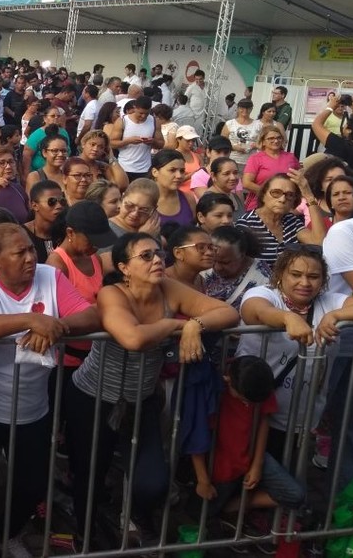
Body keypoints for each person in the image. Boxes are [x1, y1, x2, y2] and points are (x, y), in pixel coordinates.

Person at [64, 232, 239, 546]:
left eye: (159, 253)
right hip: (93, 398)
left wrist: (195, 325)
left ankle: (137, 516)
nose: (157, 260)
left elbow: (228, 312)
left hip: (141, 400)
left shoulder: (168, 288)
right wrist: (177, 325)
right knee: (90, 476)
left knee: (153, 481)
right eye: (146, 256)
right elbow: (132, 338)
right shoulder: (112, 293)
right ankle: (86, 535)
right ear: (124, 267)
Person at [0, 222, 98, 555]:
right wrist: (30, 320)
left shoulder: (50, 276)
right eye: (19, 252)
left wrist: (54, 326)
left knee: (33, 482)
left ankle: (8, 532)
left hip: (34, 407)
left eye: (32, 249)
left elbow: (91, 317)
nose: (30, 258)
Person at [238, 244, 353, 461]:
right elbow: (256, 310)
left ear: (323, 280)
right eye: (296, 274)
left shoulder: (330, 302)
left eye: (313, 277)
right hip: (253, 411)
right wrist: (287, 318)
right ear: (281, 275)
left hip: (300, 418)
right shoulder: (264, 293)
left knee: (288, 469)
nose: (305, 283)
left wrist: (336, 316)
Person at [192, 355, 306, 540]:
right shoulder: (216, 389)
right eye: (245, 400)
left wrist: (257, 464)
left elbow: (264, 418)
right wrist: (202, 478)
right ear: (228, 381)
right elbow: (197, 435)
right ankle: (224, 515)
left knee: (295, 495)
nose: (249, 405)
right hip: (223, 468)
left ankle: (233, 507)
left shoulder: (258, 383)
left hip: (252, 457)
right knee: (202, 515)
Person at [234, 174, 324, 264]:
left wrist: (309, 197)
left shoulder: (292, 221)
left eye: (289, 195)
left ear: (294, 201)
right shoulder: (246, 223)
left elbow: (318, 243)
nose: (282, 199)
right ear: (263, 195)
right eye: (276, 193)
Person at [201, 225, 271, 309]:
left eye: (225, 263)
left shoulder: (262, 279)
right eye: (213, 260)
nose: (217, 267)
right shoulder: (202, 266)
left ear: (242, 255)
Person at [242, 125, 300, 211]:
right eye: (271, 138)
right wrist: (269, 194)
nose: (276, 141)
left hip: (285, 204)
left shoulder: (290, 157)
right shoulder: (256, 158)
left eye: (279, 138)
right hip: (259, 204)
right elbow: (246, 183)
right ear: (263, 142)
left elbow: (299, 180)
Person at [111, 96, 162, 180]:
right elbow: (112, 143)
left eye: (146, 113)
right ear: (135, 108)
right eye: (140, 113)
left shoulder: (154, 121)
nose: (143, 116)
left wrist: (152, 142)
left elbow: (161, 144)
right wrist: (128, 141)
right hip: (124, 166)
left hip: (145, 168)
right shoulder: (123, 121)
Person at [151, 149, 197, 227]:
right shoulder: (143, 200)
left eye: (182, 171)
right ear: (155, 172)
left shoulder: (189, 199)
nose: (179, 176)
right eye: (172, 170)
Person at [163, 224, 216, 292]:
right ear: (178, 253)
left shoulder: (201, 281)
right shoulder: (162, 281)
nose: (209, 253)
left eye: (211, 247)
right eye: (201, 247)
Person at [24, 180, 67, 259]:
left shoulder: (68, 232)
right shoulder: (22, 234)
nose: (59, 206)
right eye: (52, 202)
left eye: (62, 201)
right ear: (34, 206)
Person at [23, 107, 71, 173]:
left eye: (58, 116)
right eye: (53, 116)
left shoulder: (63, 132)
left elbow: (67, 150)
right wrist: (26, 173)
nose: (56, 118)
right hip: (40, 172)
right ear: (45, 118)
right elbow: (27, 155)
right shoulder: (37, 134)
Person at [222, 100, 262, 169]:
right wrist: (233, 147)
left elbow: (263, 142)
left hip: (251, 161)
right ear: (237, 108)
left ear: (251, 109)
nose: (245, 110)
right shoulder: (230, 123)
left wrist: (254, 145)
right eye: (242, 108)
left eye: (248, 108)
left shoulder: (258, 124)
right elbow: (222, 142)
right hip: (232, 160)